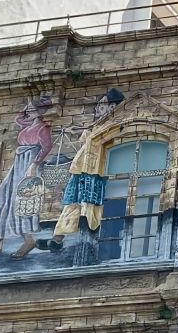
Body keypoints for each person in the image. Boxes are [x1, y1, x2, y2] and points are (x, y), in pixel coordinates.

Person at [49, 88, 125, 249]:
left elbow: (98, 140)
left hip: (95, 172)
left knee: (91, 204)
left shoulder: (114, 125)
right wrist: (79, 130)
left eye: (102, 104)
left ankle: (89, 239)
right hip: (80, 169)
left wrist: (84, 130)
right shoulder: (97, 125)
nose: (97, 107)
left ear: (112, 107)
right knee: (72, 201)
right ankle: (58, 237)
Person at [0, 95, 55, 258]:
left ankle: (28, 240)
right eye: (28, 109)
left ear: (40, 111)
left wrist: (34, 165)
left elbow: (47, 147)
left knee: (22, 200)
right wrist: (27, 106)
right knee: (4, 195)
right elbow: (18, 118)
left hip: (29, 163)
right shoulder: (27, 124)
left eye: (32, 109)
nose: (28, 112)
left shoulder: (43, 128)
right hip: (19, 162)